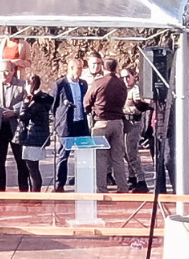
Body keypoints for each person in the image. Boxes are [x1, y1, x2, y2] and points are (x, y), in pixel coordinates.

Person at [84, 56, 131, 192]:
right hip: (118, 122)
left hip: (101, 122)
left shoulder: (98, 83)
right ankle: (123, 187)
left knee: (100, 158)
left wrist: (90, 110)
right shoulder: (122, 84)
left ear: (103, 68)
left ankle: (102, 189)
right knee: (118, 157)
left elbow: (87, 102)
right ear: (115, 68)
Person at [0, 57, 28, 191]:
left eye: (7, 71)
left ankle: (23, 190)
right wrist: (1, 111)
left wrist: (14, 112)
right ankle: (0, 190)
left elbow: (28, 104)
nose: (4, 75)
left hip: (16, 126)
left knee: (21, 160)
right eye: (1, 71)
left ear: (13, 71)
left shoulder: (22, 85)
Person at [52, 55, 90, 191]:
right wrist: (58, 122)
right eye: (79, 68)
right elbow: (54, 105)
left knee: (83, 153)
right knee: (64, 154)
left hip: (80, 122)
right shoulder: (60, 84)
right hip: (66, 125)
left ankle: (82, 181)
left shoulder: (83, 83)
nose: (81, 71)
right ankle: (59, 183)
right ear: (71, 68)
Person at [18, 75, 52, 191]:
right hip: (40, 136)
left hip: (32, 136)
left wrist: (25, 104)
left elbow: (23, 116)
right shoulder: (45, 98)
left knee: (33, 169)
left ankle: (35, 194)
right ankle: (35, 192)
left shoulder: (35, 102)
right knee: (33, 167)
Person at [123, 64, 152, 192]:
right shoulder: (121, 89)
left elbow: (140, 108)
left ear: (133, 77)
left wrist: (124, 109)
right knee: (125, 152)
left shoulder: (137, 90)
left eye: (127, 77)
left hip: (134, 123)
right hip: (124, 123)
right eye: (122, 77)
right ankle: (132, 177)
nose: (125, 80)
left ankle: (141, 180)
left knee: (132, 153)